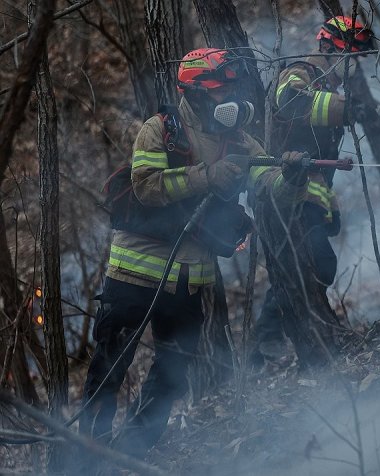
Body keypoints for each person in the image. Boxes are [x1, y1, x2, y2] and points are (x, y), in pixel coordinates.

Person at [80, 47, 307, 458]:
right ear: (198, 92)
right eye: (222, 90)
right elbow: (146, 187)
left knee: (171, 374)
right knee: (109, 369)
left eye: (232, 88)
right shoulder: (160, 129)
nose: (231, 98)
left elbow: (267, 181)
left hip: (187, 282)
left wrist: (291, 177)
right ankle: (83, 460)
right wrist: (206, 176)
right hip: (134, 276)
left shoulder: (239, 139)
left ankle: (131, 454)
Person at [250, 16, 375, 365]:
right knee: (312, 262)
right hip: (283, 189)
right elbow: (289, 101)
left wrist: (330, 206)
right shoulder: (302, 71)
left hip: (306, 194)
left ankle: (266, 345)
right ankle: (267, 339)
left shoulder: (327, 83)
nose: (354, 67)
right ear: (330, 48)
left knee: (312, 263)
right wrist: (343, 109)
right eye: (351, 56)